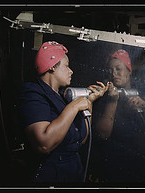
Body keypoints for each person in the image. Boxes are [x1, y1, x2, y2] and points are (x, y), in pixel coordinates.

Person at [19, 41, 109, 183]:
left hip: (73, 169)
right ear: (52, 67)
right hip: (51, 174)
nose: (71, 71)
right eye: (66, 66)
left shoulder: (61, 96)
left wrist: (89, 102)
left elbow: (81, 140)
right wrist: (73, 107)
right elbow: (44, 144)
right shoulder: (33, 94)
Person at [88, 49, 145, 183]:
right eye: (110, 70)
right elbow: (102, 134)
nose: (114, 73)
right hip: (113, 165)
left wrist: (144, 106)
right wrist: (112, 101)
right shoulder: (103, 96)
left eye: (118, 68)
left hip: (142, 163)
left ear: (129, 71)